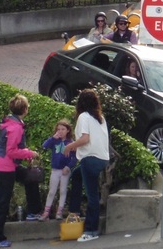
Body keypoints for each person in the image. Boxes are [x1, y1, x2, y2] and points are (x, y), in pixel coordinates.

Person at [0, 93, 43, 247]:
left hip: (7, 164)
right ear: (24, 109)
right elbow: (11, 151)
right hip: (6, 167)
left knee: (30, 178)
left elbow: (12, 149)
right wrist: (30, 153)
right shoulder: (16, 128)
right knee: (2, 202)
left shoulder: (12, 122)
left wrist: (25, 155)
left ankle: (33, 211)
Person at [63, 89, 111, 243]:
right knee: (76, 176)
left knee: (92, 197)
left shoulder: (84, 117)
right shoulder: (100, 118)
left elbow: (85, 139)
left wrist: (69, 146)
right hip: (102, 159)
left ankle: (90, 230)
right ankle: (74, 211)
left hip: (89, 159)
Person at [39, 119, 77, 221]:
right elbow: (44, 146)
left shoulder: (71, 143)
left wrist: (68, 167)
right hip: (55, 169)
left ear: (68, 130)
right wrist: (52, 138)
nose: (60, 131)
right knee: (52, 191)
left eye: (63, 129)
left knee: (63, 190)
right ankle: (46, 212)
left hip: (65, 171)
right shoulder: (54, 140)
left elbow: (75, 158)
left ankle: (59, 211)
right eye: (58, 129)